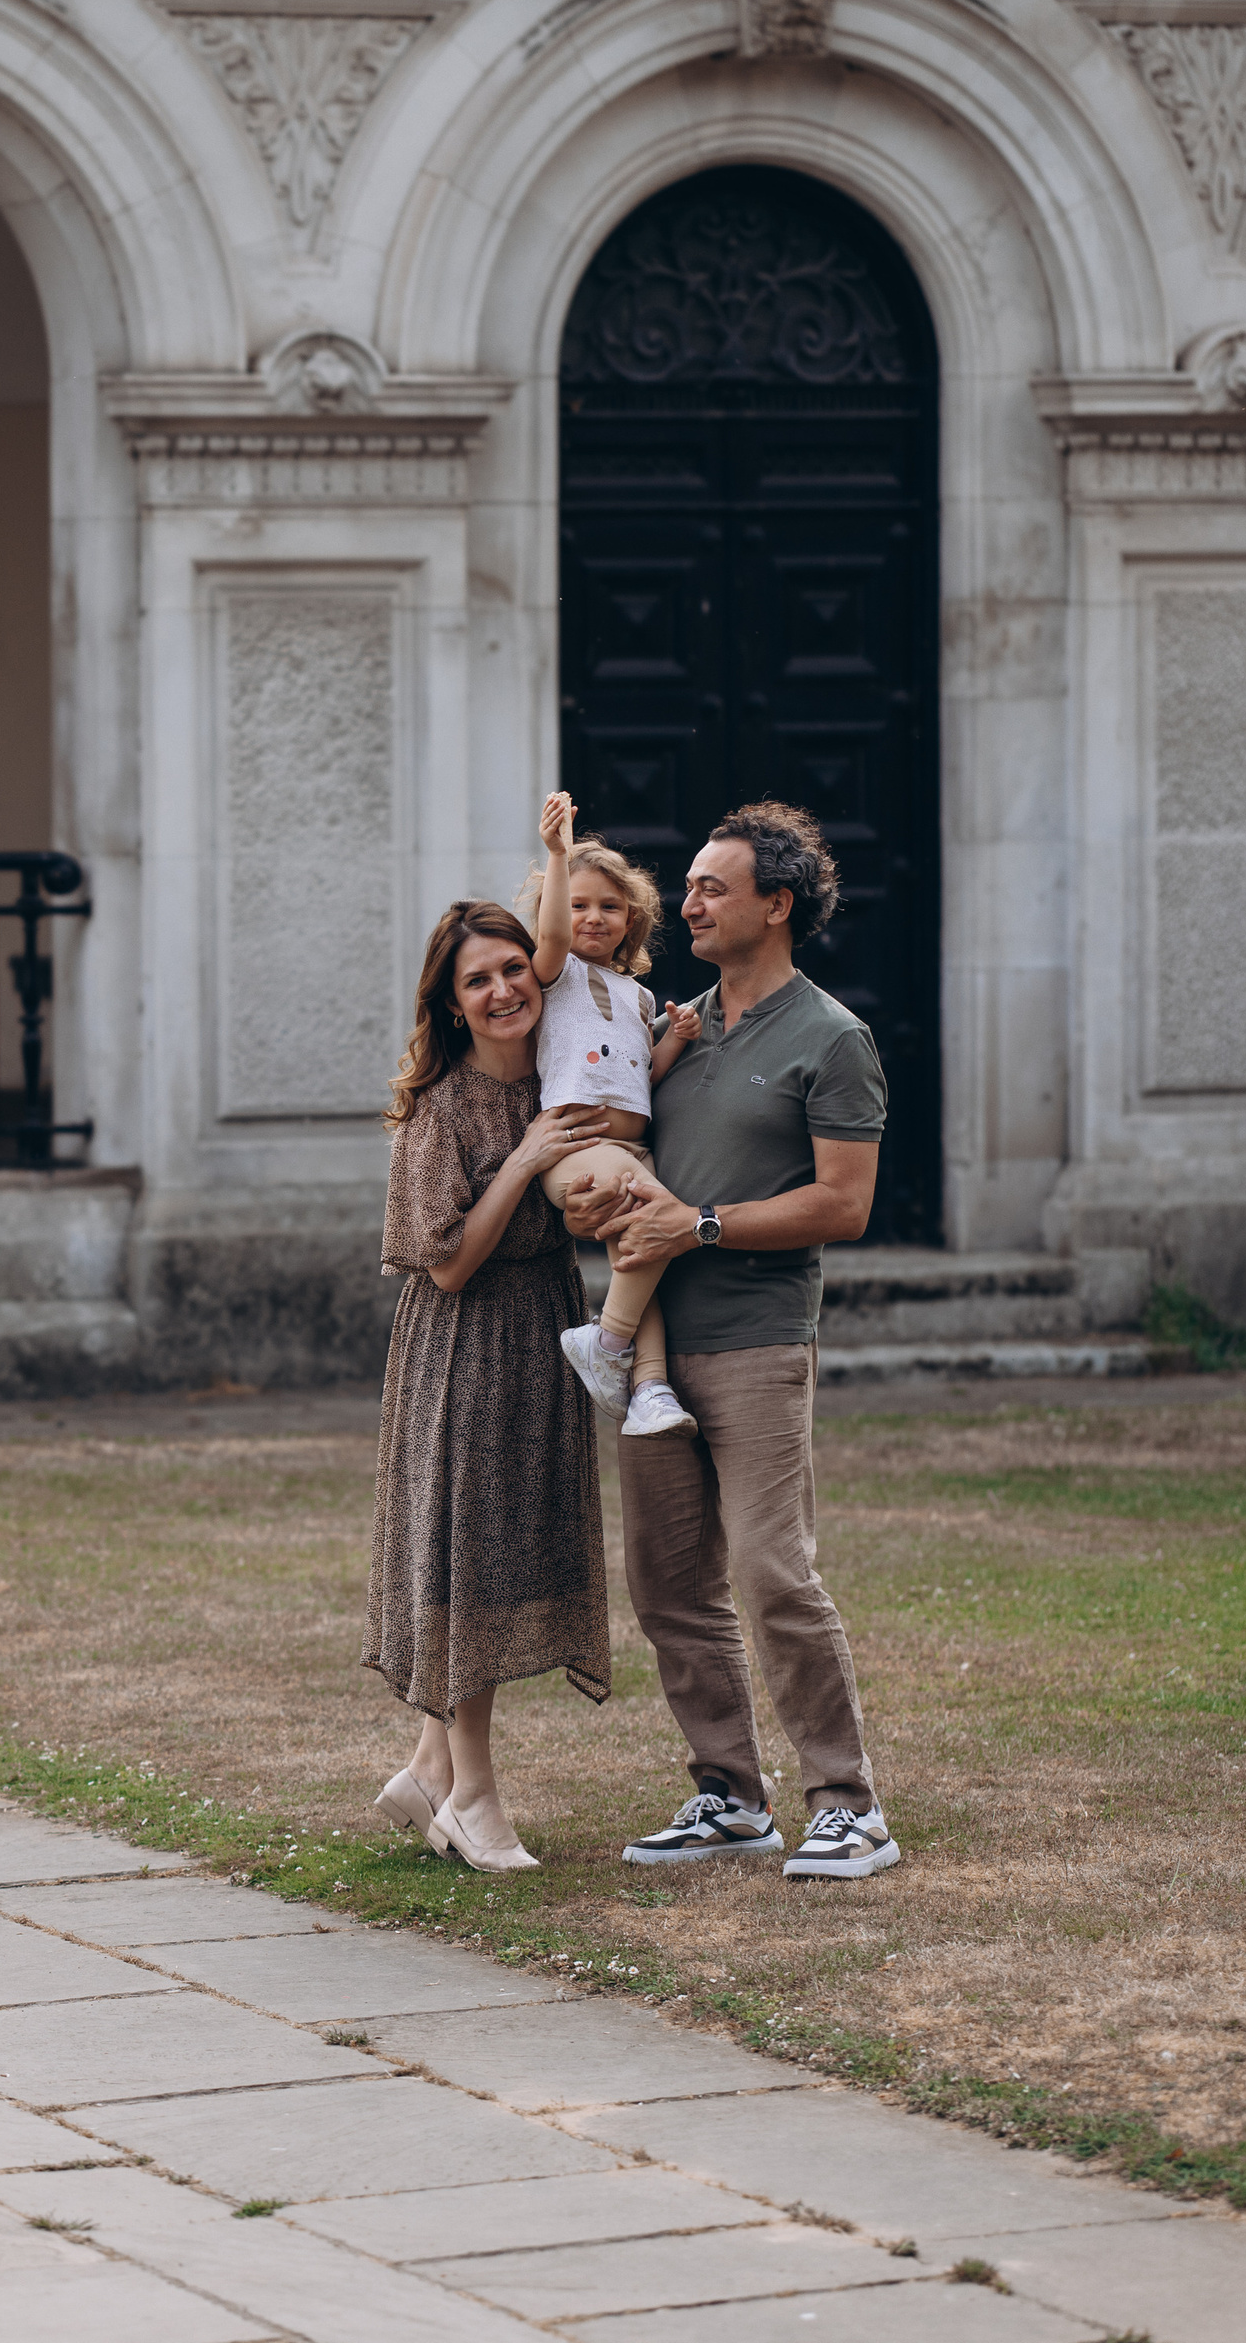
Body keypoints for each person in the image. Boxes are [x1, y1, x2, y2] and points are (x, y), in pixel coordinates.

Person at [564, 800, 898, 1883]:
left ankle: (848, 1805)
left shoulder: (831, 1037)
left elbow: (843, 1205)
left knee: (771, 1571)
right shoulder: (670, 1024)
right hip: (652, 1353)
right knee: (667, 1584)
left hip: (756, 1340)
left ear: (776, 904)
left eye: (714, 886)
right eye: (693, 885)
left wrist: (697, 1224)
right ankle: (727, 1796)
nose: (691, 900)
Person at [365, 900, 617, 1875]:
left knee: (509, 1553)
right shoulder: (440, 1108)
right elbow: (451, 1264)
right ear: (454, 1002)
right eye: (478, 979)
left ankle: (428, 1769)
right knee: (470, 1559)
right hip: (464, 1348)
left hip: (540, 1337)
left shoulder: (562, 1081)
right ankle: (473, 1795)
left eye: (514, 967)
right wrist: (523, 1161)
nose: (504, 988)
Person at [517, 790, 704, 1442]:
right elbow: (554, 934)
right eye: (576, 905)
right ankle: (607, 1341)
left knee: (645, 1245)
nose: (592, 917)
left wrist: (676, 1036)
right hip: (576, 1147)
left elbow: (638, 1081)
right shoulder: (553, 972)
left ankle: (648, 1388)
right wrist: (558, 856)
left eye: (609, 906)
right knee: (657, 1216)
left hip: (629, 1148)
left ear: (633, 920)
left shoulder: (637, 993)